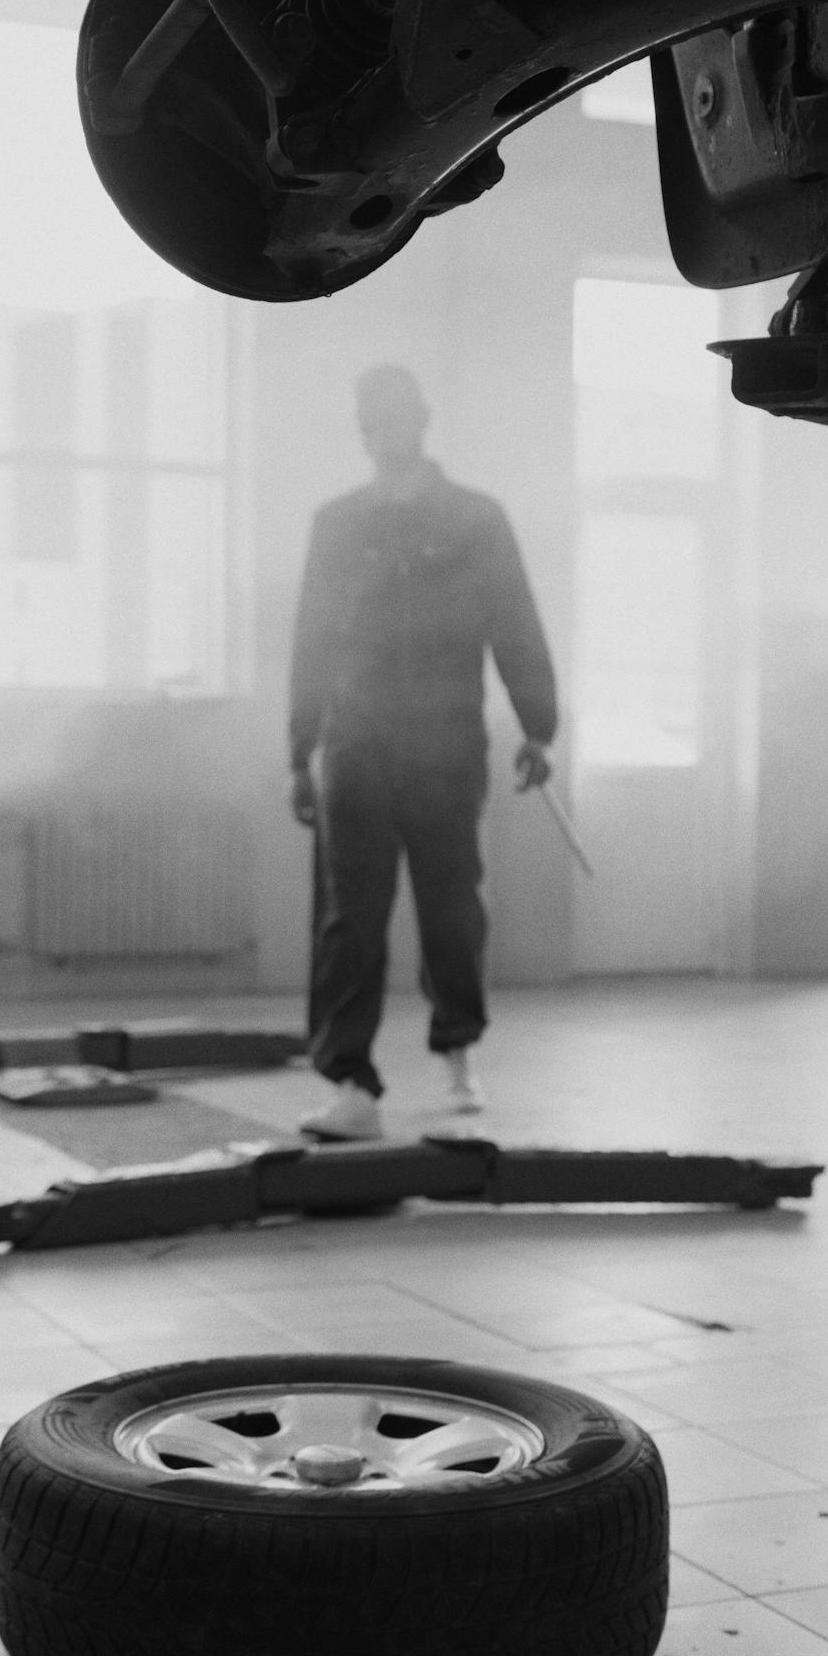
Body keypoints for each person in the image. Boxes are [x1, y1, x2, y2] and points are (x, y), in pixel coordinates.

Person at [288, 363, 558, 1139]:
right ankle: (351, 1085)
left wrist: (538, 726)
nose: (386, 431)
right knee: (349, 919)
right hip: (355, 746)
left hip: (446, 745)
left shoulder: (477, 520)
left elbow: (515, 621)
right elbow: (311, 641)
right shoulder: (336, 524)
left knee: (451, 909)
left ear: (423, 419)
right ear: (361, 430)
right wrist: (298, 751)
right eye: (373, 419)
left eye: (398, 415)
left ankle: (458, 1049)